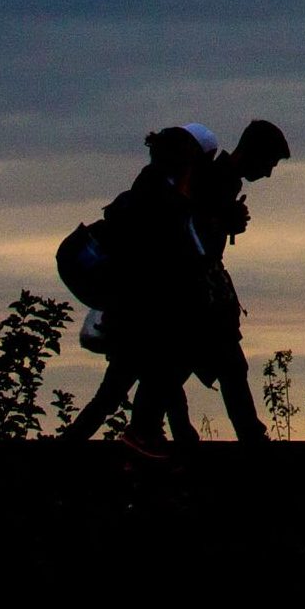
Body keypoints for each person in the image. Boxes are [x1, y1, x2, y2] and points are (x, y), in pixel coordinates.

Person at [63, 127, 219, 450]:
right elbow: (178, 256)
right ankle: (156, 442)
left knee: (126, 387)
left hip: (134, 313)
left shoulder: (150, 194)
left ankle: (151, 441)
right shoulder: (165, 203)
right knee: (156, 377)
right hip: (140, 315)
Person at [192, 120, 292, 441]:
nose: (269, 173)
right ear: (254, 153)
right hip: (193, 290)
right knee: (230, 365)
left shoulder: (221, 180)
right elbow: (193, 232)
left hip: (195, 288)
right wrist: (226, 222)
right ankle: (251, 438)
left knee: (172, 369)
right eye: (269, 163)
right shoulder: (217, 180)